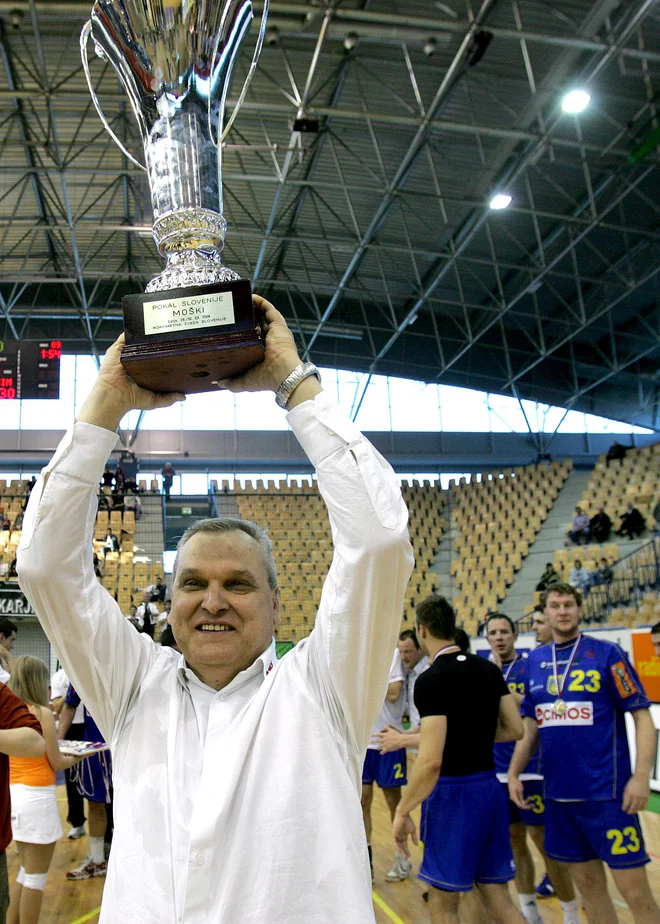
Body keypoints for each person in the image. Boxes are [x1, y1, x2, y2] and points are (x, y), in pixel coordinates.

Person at [17, 298, 414, 923]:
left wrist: (294, 384)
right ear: (171, 605)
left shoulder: (325, 688)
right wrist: (106, 399)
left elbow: (381, 541)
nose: (214, 600)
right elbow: (44, 567)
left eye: (239, 583)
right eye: (194, 582)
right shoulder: (131, 687)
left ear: (278, 605)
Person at [509, 583, 660, 924]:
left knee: (635, 893)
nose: (562, 611)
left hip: (608, 798)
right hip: (560, 800)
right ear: (545, 613)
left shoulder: (607, 655)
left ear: (579, 610)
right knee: (590, 891)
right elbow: (531, 727)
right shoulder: (534, 662)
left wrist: (640, 778)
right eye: (555, 605)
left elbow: (642, 717)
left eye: (568, 605)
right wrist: (516, 773)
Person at [392, 595, 525, 924]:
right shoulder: (488, 669)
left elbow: (431, 762)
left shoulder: (430, 680)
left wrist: (402, 809)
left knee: (443, 902)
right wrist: (473, 734)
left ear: (422, 631)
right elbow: (515, 729)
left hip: (454, 796)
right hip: (489, 789)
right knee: (499, 897)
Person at [485, 614, 578, 924]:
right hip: (498, 768)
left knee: (544, 842)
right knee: (514, 841)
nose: (499, 637)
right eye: (493, 633)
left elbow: (534, 704)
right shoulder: (485, 669)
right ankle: (528, 912)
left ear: (514, 635)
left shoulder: (530, 666)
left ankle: (570, 913)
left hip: (531, 767)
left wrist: (498, 688)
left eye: (504, 632)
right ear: (487, 639)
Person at [8, 658, 86, 924]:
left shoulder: (10, 712)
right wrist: (77, 758)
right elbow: (56, 761)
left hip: (14, 796)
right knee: (36, 877)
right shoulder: (40, 713)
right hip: (36, 797)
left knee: (24, 872)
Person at [361, 648, 409, 884]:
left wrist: (363, 684)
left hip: (388, 738)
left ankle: (402, 857)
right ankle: (366, 863)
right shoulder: (355, 651)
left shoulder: (390, 652)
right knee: (362, 801)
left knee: (394, 803)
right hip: (361, 742)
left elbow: (393, 692)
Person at [0, 682, 45, 924]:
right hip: (34, 795)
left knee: (30, 872)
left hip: (29, 796)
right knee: (32, 873)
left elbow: (36, 742)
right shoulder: (42, 710)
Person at [58, 686, 113, 880]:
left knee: (131, 805)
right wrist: (58, 740)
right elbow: (69, 706)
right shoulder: (81, 669)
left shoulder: (134, 664)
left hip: (129, 746)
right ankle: (98, 861)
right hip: (96, 749)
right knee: (96, 804)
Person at [50, 667, 86, 840]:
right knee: (72, 779)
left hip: (90, 726)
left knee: (102, 780)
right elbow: (57, 707)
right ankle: (77, 823)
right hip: (71, 728)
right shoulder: (59, 677)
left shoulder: (88, 669)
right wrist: (74, 688)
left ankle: (109, 829)